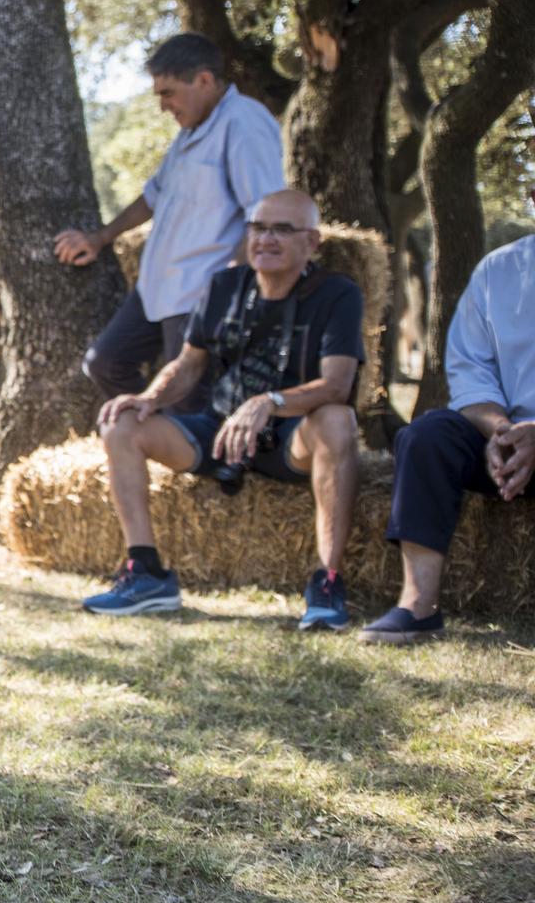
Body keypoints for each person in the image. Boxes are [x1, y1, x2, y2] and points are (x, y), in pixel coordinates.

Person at [85, 190, 363, 629]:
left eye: (282, 230)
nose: (266, 239)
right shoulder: (225, 285)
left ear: (312, 242)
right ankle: (147, 574)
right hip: (220, 431)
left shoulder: (336, 294)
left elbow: (338, 384)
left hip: (292, 438)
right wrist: (150, 398)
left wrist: (269, 403)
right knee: (121, 423)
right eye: (258, 227)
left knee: (338, 418)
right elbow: (189, 364)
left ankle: (327, 583)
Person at [56, 34, 285, 412]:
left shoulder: (244, 123)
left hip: (200, 291)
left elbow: (262, 212)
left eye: (169, 93)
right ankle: (155, 437)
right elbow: (152, 196)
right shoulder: (187, 135)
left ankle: (177, 450)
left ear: (205, 81)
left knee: (187, 404)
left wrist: (230, 287)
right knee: (105, 362)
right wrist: (100, 237)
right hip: (156, 288)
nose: (163, 106)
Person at [361, 231, 533, 644]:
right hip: (505, 439)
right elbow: (470, 369)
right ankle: (418, 607)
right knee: (426, 436)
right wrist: (500, 432)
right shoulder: (499, 270)